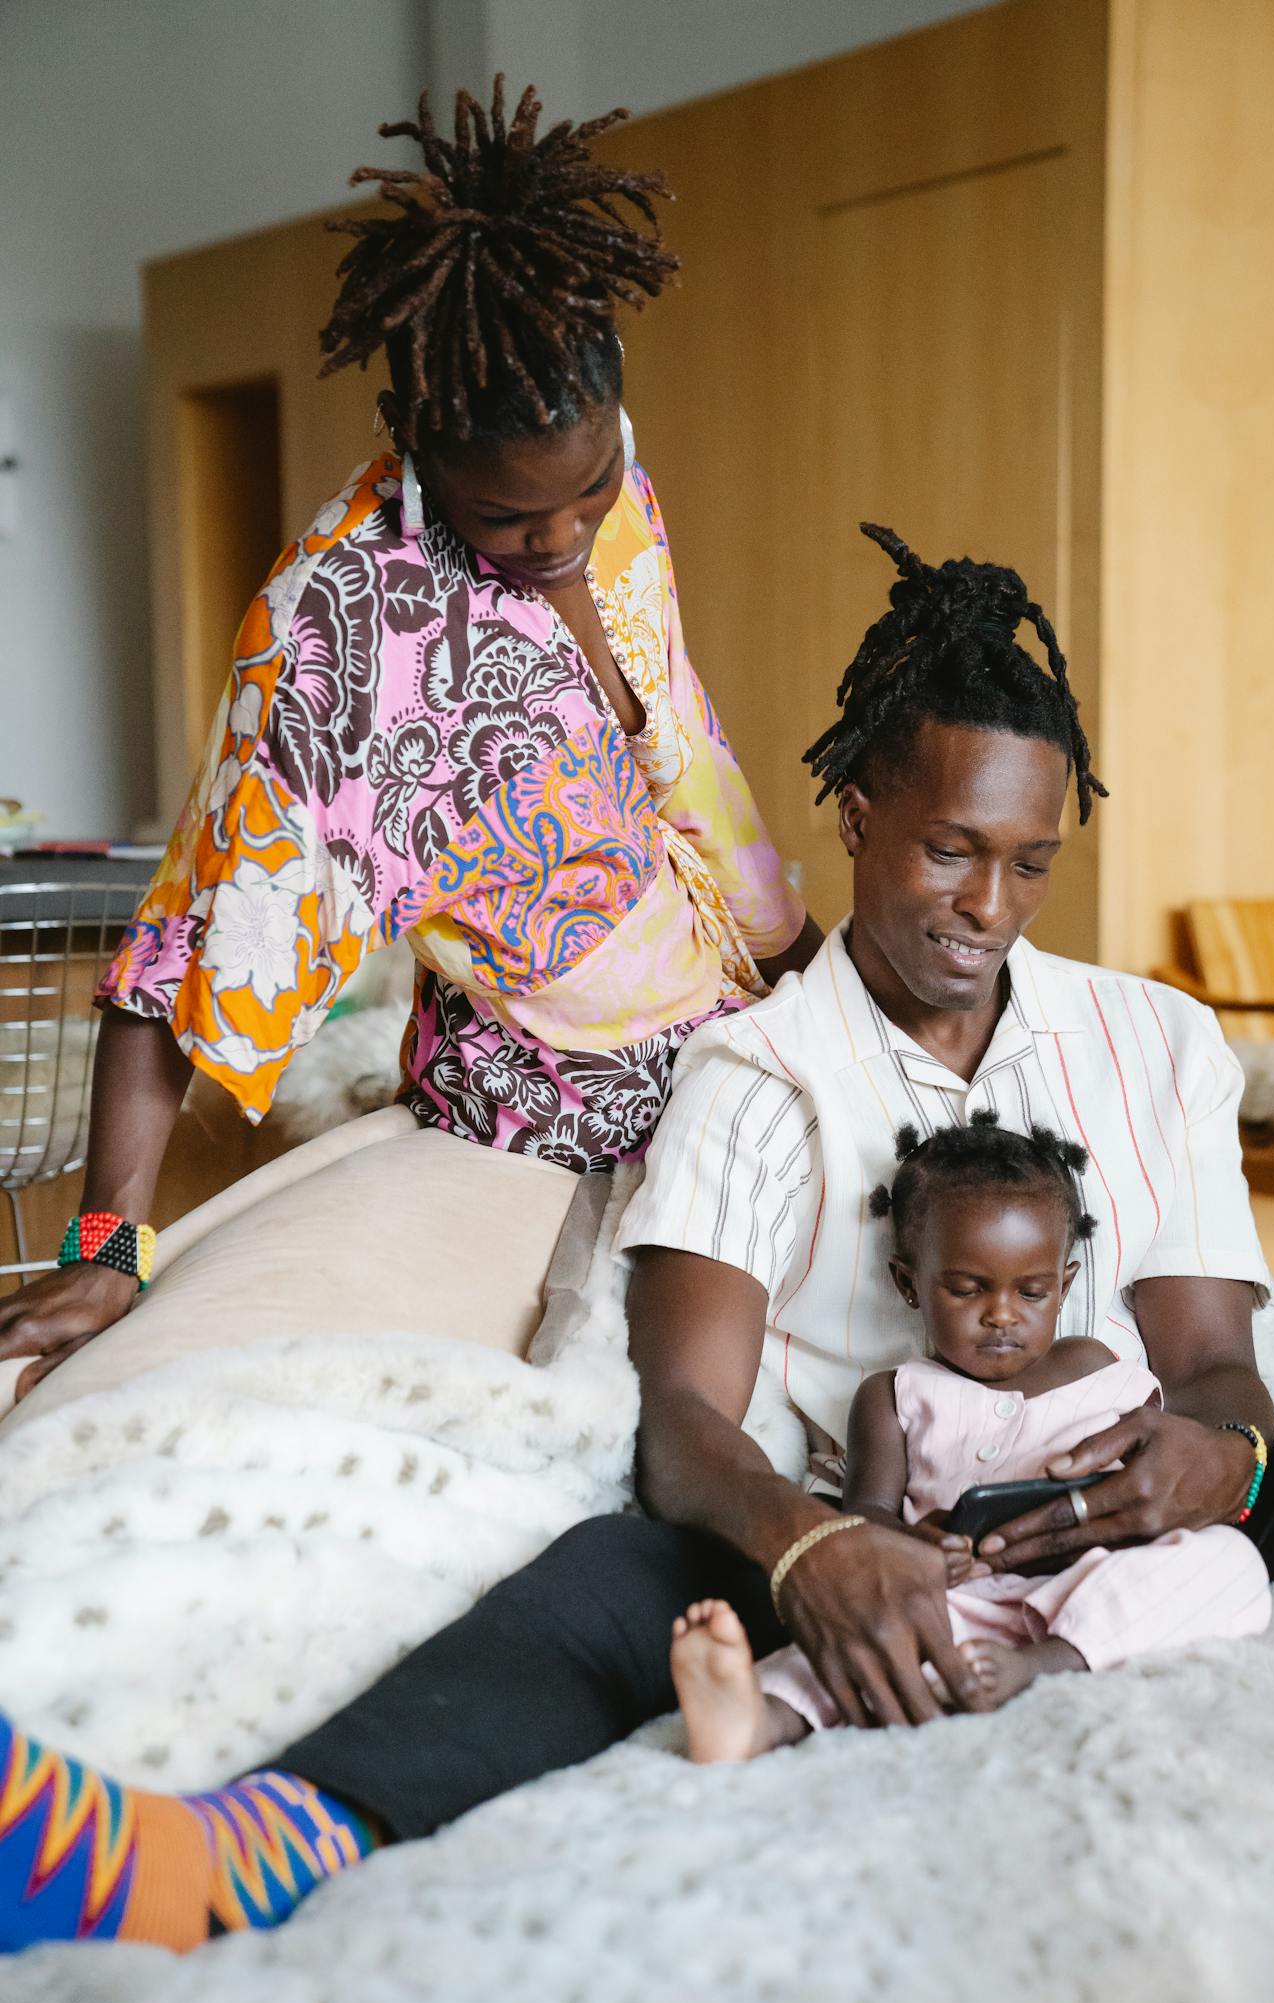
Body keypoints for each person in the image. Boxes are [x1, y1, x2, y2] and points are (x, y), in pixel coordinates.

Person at [5, 535, 1274, 1957]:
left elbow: (1216, 1366)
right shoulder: (758, 1072)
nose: (987, 907)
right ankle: (213, 1863)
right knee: (606, 1578)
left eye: (1030, 865)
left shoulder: (1153, 1043)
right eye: (949, 850)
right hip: (886, 1526)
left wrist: (1231, 1458)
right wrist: (815, 1549)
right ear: (853, 812)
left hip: (1129, 1525)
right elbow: (684, 1423)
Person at [0, 78, 815, 1402]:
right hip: (552, 1106)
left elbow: (684, 743)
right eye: (508, 520)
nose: (559, 539)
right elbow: (187, 948)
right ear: (420, 445)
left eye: (589, 487)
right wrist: (110, 1243)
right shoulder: (340, 636)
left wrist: (799, 962)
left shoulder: (602, 466)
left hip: (735, 1022)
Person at [669, 1113, 1273, 1763]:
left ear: (1063, 1285)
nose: (1001, 1314)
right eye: (966, 1289)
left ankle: (1047, 1662)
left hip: (1092, 1581)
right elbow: (864, 1514)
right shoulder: (892, 1396)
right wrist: (914, 1545)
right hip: (959, 1599)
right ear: (909, 1283)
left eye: (1032, 1291)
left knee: (1226, 1563)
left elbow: (1159, 1465)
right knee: (864, 1630)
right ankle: (759, 1720)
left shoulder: (1098, 1367)